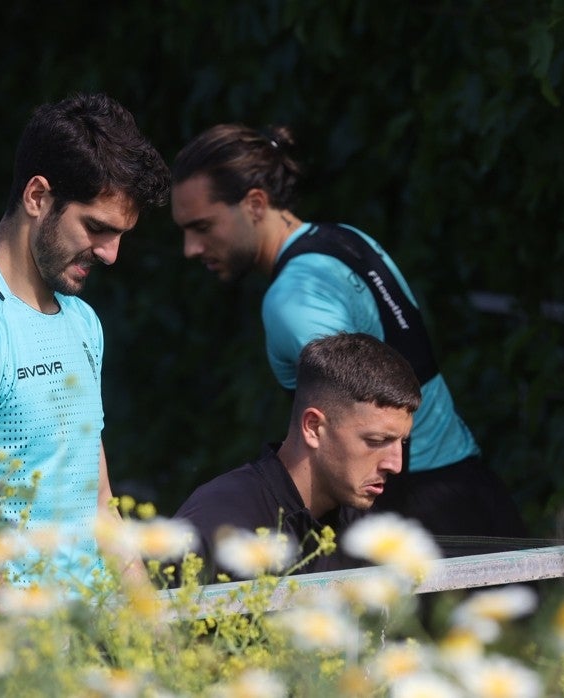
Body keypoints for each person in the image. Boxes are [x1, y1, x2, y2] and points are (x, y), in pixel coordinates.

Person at [170, 123, 526, 539]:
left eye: (203, 227)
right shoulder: (346, 241)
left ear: (254, 204)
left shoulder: (293, 302)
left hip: (417, 512)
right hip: (470, 486)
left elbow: (350, 425)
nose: (190, 248)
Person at [0, 93, 170, 592]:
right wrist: (38, 659)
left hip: (88, 648)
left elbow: (101, 505)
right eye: (97, 227)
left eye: (121, 235)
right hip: (11, 658)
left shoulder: (84, 322)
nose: (111, 254)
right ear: (37, 197)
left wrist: (158, 642)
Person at [175, 332, 419, 581]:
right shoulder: (219, 518)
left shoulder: (367, 533)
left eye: (403, 441)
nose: (396, 464)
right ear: (313, 427)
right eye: (377, 441)